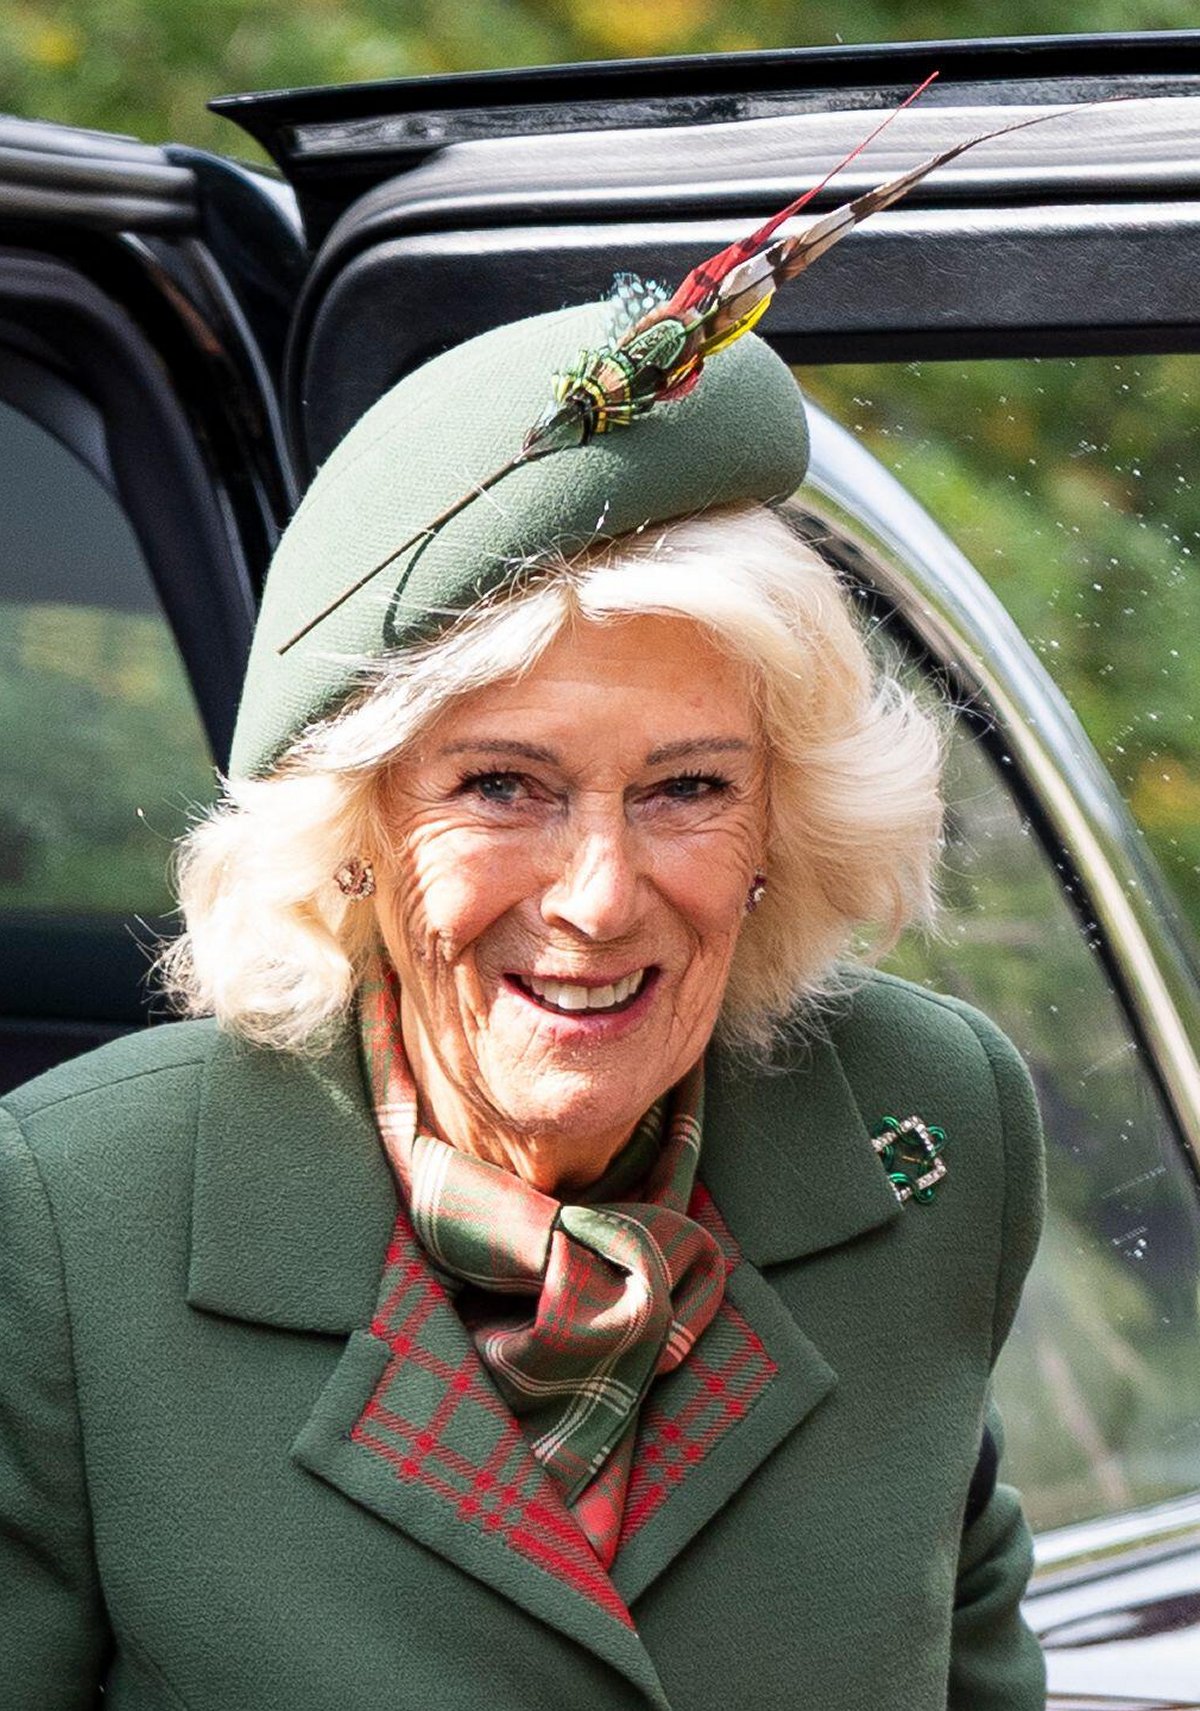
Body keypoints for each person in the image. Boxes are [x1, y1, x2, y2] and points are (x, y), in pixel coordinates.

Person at [0, 280, 1045, 1709]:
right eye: (504, 787)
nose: (599, 899)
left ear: (779, 829)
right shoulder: (64, 1221)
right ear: (355, 828)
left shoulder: (929, 1122)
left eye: (688, 788)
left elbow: (972, 1652)